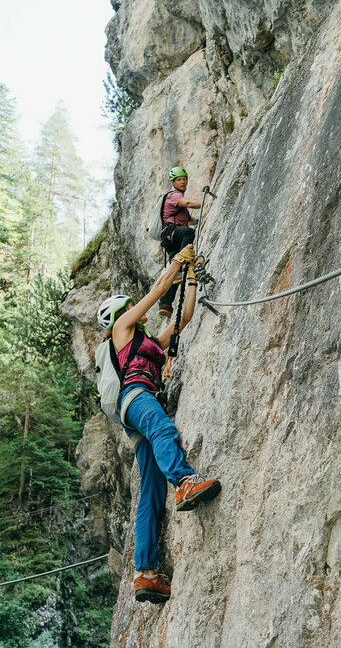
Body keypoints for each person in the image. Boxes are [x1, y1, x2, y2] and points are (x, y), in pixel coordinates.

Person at [96, 244, 221, 604]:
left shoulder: (147, 342)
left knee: (149, 494)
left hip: (132, 413)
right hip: (136, 398)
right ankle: (184, 481)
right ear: (121, 312)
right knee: (164, 429)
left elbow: (182, 320)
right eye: (130, 306)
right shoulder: (121, 329)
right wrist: (178, 262)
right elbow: (155, 294)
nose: (137, 310)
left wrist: (192, 278)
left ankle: (145, 573)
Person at [159, 166, 204, 317]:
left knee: (174, 271)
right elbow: (189, 203)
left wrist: (199, 220)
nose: (183, 182)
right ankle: (185, 261)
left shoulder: (178, 203)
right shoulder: (174, 195)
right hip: (171, 232)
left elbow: (190, 220)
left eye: (184, 179)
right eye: (179, 179)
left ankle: (165, 303)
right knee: (188, 233)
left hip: (172, 237)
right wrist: (206, 202)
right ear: (173, 182)